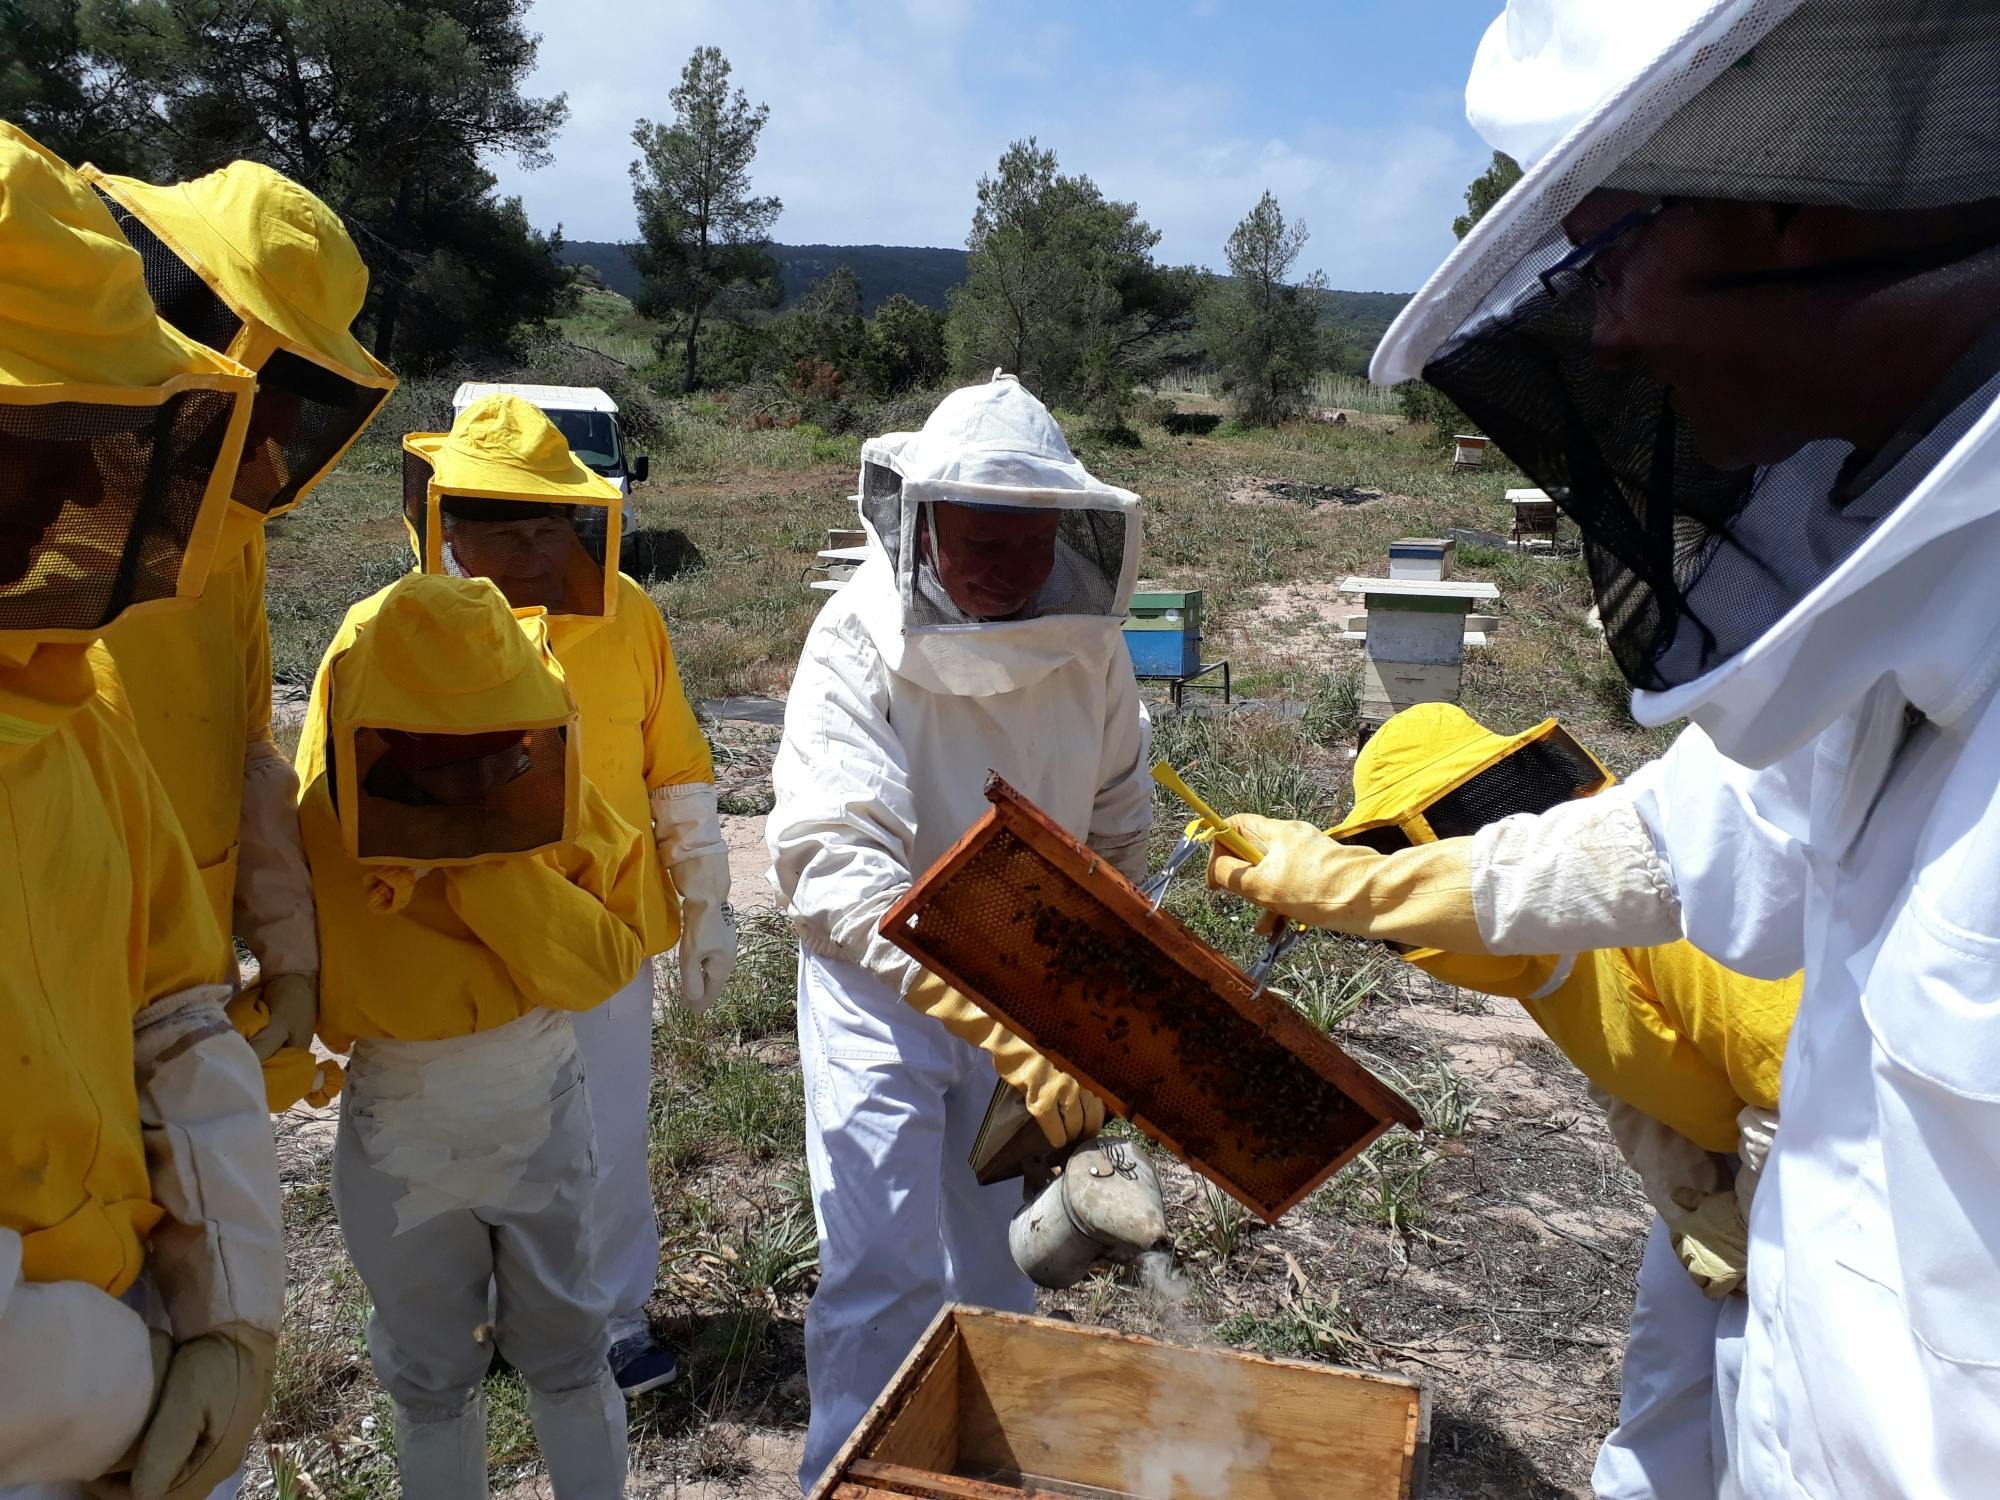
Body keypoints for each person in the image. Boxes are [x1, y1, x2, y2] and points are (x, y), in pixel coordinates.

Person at [1228, 3, 2000, 1492]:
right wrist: (1369, 885)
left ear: (1785, 196)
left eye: (1614, 249)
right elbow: (1687, 836)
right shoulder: (1891, 624)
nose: (1607, 330)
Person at [1239, 702, 1801, 1497]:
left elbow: (1804, 1092)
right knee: (1666, 1367)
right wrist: (1691, 1202)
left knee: (1766, 1404)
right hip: (1729, 1164)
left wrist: (1751, 1226)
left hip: (1832, 1173)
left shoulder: (1672, 919)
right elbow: (1631, 1081)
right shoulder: (1542, 958)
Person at [768, 373, 1153, 1493]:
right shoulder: (855, 635)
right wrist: (968, 1000)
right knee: (879, 1258)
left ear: (1066, 534)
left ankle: (980, 1469)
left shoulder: (1089, 645)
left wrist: (1097, 989)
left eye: (1028, 541)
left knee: (1000, 1258)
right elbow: (837, 866)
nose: (1004, 566)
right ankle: (850, 1478)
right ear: (923, 522)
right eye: (977, 538)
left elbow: (1118, 822)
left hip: (1026, 975)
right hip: (877, 986)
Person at [0, 122, 283, 1500]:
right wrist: (90, 1373)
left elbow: (172, 1011)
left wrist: (229, 1309)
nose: (73, 488)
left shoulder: (69, 698)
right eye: (29, 441)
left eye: (95, 439)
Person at [376, 391, 728, 1394]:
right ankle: (478, 1323)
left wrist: (706, 902)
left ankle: (608, 1321)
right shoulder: (393, 632)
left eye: (548, 526)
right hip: (460, 942)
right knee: (464, 1144)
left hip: (604, 936)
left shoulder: (630, 614)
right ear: (447, 525)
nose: (533, 552)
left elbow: (676, 766)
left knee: (603, 1136)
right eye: (502, 530)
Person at [293, 572, 649, 1497]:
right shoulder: (321, 820)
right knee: (430, 1375)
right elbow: (303, 973)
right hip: (402, 1116)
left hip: (531, 1098)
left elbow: (608, 960)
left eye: (492, 753)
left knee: (568, 1348)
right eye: (436, 755)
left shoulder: (562, 804)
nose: (470, 775)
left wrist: (484, 867)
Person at [81, 157, 399, 1112]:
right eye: (274, 377)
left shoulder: (227, 535)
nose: (283, 424)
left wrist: (290, 955)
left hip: (182, 994)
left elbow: (249, 752)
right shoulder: (37, 501)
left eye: (304, 385)